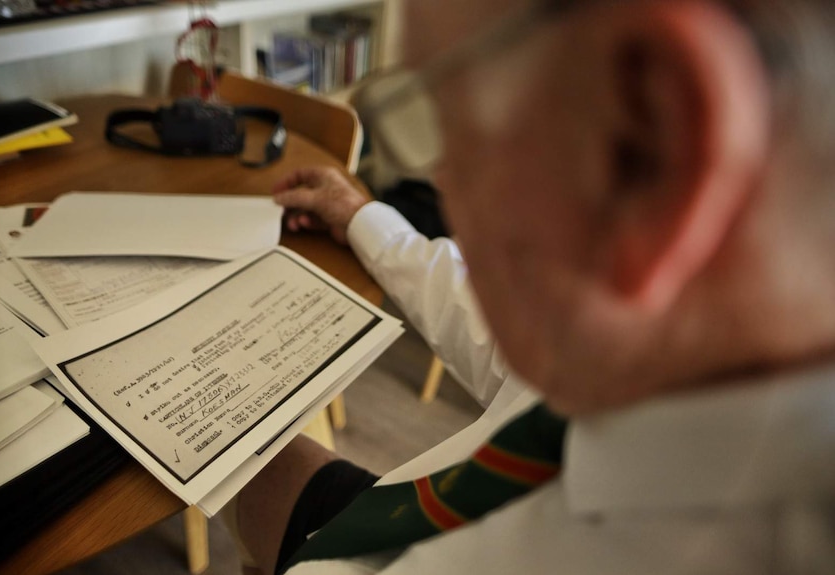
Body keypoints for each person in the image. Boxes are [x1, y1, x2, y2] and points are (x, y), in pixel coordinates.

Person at [225, 0, 835, 573]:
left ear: (648, 137)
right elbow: (509, 353)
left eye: (445, 113)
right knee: (244, 467)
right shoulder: (648, 345)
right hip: (408, 511)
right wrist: (365, 219)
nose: (440, 175)